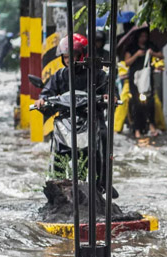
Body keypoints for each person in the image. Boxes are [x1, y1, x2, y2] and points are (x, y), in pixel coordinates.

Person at [35, 34, 117, 198]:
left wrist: (110, 97)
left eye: (71, 57)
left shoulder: (98, 74)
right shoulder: (60, 75)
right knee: (57, 144)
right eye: (65, 57)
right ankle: (56, 183)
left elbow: (111, 92)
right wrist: (42, 100)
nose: (68, 60)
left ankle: (102, 183)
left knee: (103, 136)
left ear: (83, 55)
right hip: (67, 119)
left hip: (92, 118)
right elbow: (47, 92)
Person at [124, 28, 163, 138]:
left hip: (147, 79)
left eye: (145, 36)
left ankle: (151, 125)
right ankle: (137, 128)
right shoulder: (131, 47)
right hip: (135, 79)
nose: (143, 39)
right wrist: (136, 55)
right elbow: (127, 62)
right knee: (136, 103)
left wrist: (152, 53)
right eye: (141, 36)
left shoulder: (150, 45)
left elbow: (160, 55)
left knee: (150, 102)